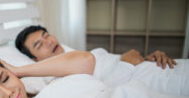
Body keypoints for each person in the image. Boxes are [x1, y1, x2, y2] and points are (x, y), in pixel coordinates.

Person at [15, 25, 176, 68]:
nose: (49, 41)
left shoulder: (73, 54)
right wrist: (126, 64)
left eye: (46, 35)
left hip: (156, 66)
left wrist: (146, 59)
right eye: (39, 45)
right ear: (34, 58)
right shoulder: (56, 78)